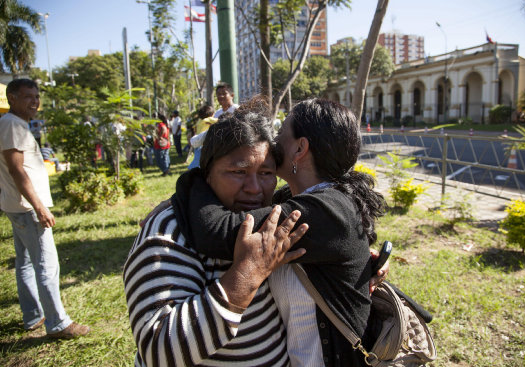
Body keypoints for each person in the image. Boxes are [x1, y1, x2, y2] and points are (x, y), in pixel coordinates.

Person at [181, 98, 387, 366]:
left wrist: (195, 178)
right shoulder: (301, 198)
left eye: (280, 135)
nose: (273, 142)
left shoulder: (325, 210)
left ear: (300, 148)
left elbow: (215, 231)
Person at [124, 106, 310, 366]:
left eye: (266, 173)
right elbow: (158, 351)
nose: (255, 188)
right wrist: (248, 274)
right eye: (238, 172)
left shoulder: (272, 222)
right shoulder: (169, 232)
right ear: (207, 173)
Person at [0, 78, 90, 339]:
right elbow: (17, 170)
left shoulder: (12, 124)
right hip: (27, 207)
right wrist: (39, 206)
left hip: (17, 206)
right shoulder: (12, 125)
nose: (34, 101)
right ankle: (58, 323)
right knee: (46, 264)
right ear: (12, 98)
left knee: (25, 263)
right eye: (27, 96)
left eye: (36, 96)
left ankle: (33, 315)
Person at [187, 104, 217, 170]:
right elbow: (219, 120)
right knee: (199, 159)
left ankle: (195, 168)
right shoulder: (207, 119)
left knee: (197, 157)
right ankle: (192, 168)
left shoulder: (199, 121)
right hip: (202, 142)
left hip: (197, 141)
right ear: (211, 114)